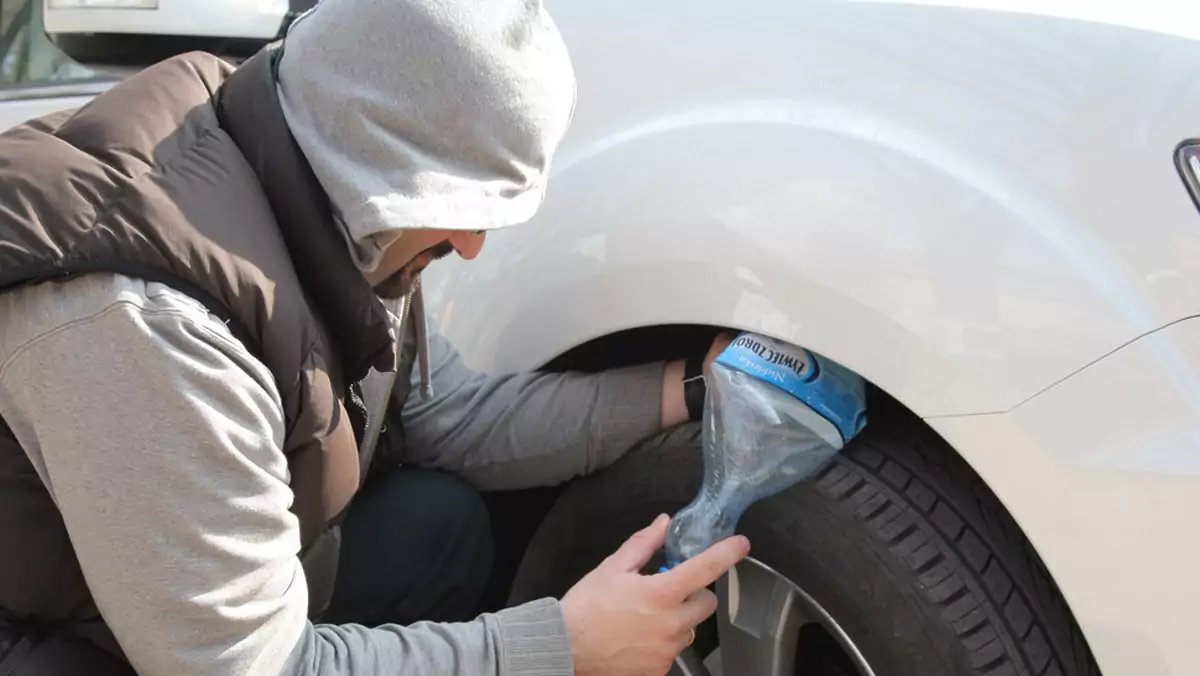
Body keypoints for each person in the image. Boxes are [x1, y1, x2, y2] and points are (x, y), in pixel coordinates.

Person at [0, 0, 750, 675]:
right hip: (63, 642)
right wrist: (565, 647)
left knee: (433, 524)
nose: (470, 244)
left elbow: (446, 418)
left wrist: (689, 385)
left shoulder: (313, 182)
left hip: (155, 597)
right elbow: (242, 670)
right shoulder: (151, 325)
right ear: (371, 158)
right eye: (459, 200)